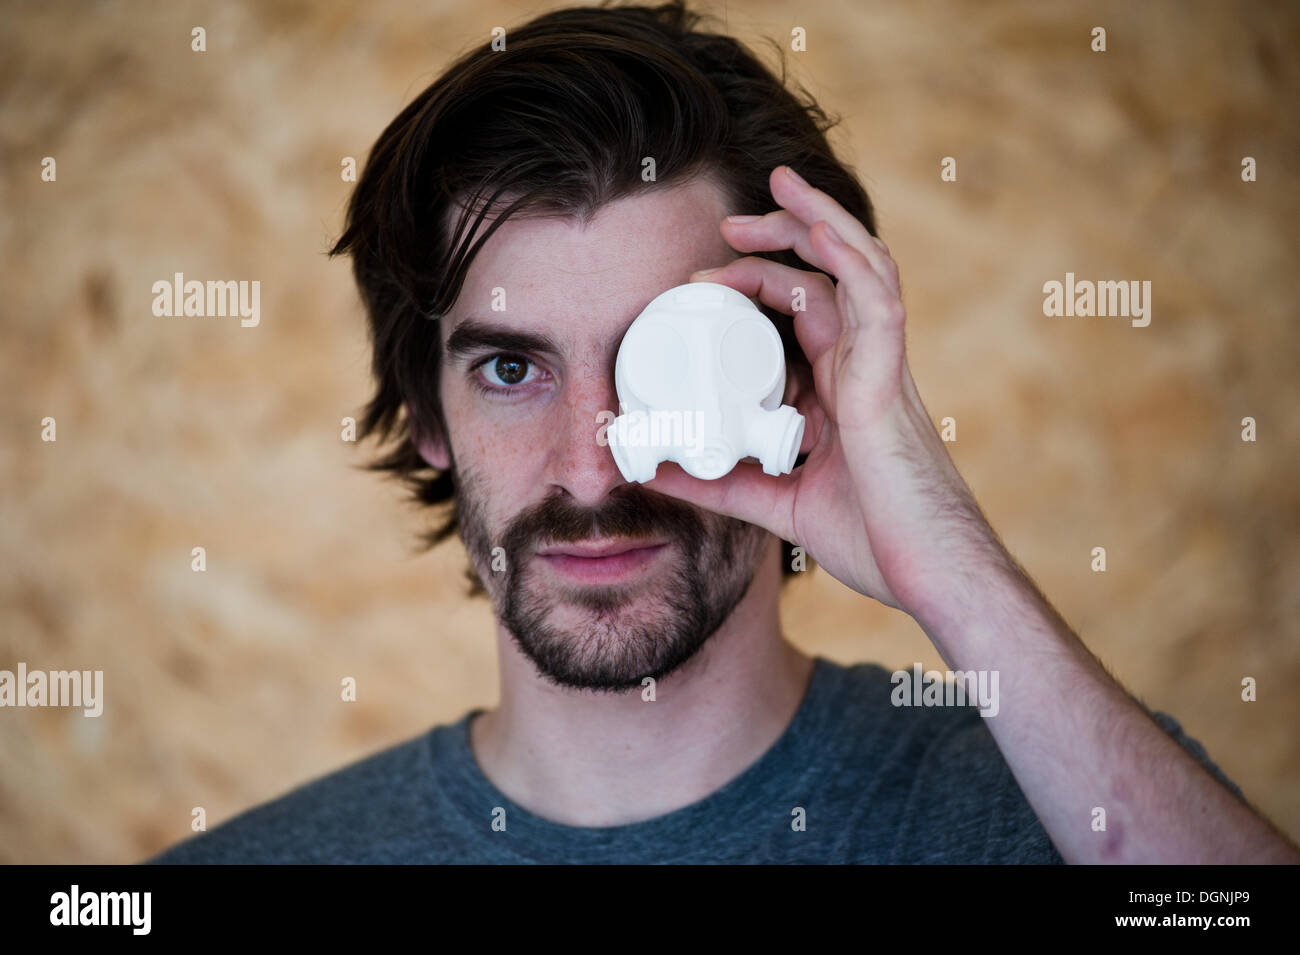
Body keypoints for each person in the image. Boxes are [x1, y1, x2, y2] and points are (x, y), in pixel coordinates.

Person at [148, 0, 1299, 864]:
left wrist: (950, 566)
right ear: (427, 416)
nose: (592, 464)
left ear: (801, 378)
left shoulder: (1045, 816)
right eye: (510, 368)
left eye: (669, 358)